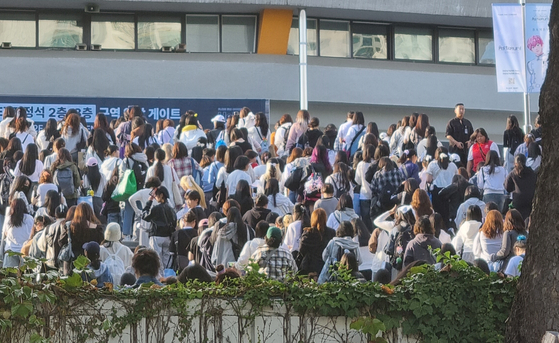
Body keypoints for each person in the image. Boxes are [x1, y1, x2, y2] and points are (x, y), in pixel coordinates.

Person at [141, 186, 177, 273]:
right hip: (168, 237)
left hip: (156, 236)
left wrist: (149, 201)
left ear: (161, 195)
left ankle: (158, 278)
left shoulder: (156, 208)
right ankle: (167, 278)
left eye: (156, 195)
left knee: (156, 260)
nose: (155, 197)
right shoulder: (171, 209)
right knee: (167, 262)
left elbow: (145, 216)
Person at [298, 208, 336, 275]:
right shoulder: (331, 233)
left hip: (309, 266)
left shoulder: (308, 233)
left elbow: (301, 250)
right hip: (326, 266)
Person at [2, 198, 34, 267]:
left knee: (9, 276)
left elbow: (5, 233)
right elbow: (32, 233)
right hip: (25, 251)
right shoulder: (30, 218)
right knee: (23, 276)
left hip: (11, 251)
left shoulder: (9, 219)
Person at [505, 154, 537, 219]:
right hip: (530, 200)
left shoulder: (513, 173)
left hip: (517, 201)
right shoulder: (531, 172)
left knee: (517, 219)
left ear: (514, 163)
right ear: (525, 161)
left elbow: (507, 187)